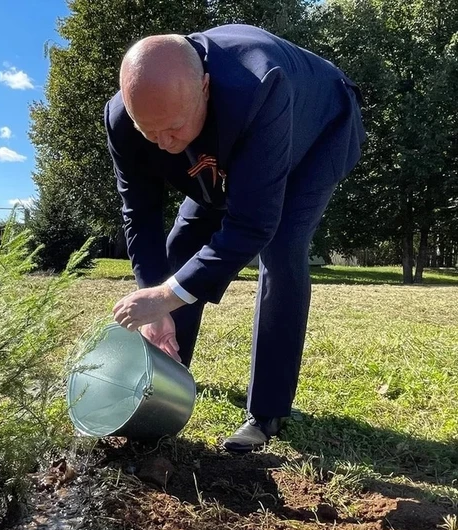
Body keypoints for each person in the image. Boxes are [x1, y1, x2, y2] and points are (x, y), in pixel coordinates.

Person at [105, 24, 365, 453]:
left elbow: (252, 223)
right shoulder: (124, 120)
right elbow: (140, 214)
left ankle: (268, 413)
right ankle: (163, 375)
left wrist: (170, 293)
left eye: (172, 128)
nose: (165, 146)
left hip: (318, 130)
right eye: (149, 133)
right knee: (178, 249)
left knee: (281, 248)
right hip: (223, 138)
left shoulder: (260, 85)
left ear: (204, 87)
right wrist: (155, 301)